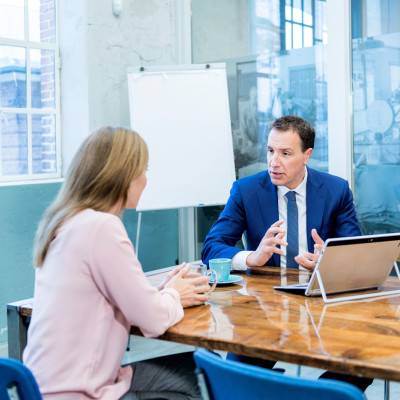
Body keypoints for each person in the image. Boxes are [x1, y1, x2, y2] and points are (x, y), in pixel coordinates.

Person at [23, 126, 210, 400]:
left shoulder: (64, 221)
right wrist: (173, 294)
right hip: (78, 391)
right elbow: (154, 320)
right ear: (125, 176)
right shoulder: (102, 227)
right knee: (202, 373)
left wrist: (163, 292)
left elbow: (105, 299)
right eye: (144, 170)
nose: (146, 179)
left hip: (42, 384)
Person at [201, 115, 372, 391]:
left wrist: (328, 262)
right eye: (270, 151)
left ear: (307, 155)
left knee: (360, 363)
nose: (274, 162)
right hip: (264, 308)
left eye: (285, 153)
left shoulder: (336, 190)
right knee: (239, 371)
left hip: (323, 306)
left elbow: (356, 254)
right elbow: (211, 247)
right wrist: (252, 257)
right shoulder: (246, 190)